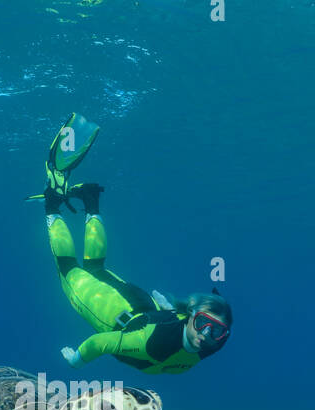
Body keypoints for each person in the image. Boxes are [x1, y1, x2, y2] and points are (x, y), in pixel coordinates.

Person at [29, 113, 232, 375]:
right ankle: (52, 203)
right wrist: (77, 360)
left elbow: (193, 321)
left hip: (141, 305)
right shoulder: (151, 343)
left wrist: (172, 310)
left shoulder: (206, 344)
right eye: (204, 323)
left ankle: (90, 200)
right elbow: (101, 343)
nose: (206, 335)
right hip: (115, 313)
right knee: (68, 269)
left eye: (217, 331)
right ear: (192, 316)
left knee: (96, 268)